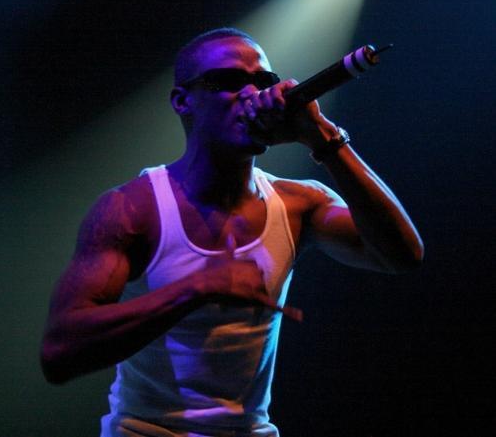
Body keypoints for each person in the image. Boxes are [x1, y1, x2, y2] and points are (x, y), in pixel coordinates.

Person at [41, 28, 424, 437]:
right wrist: (196, 288)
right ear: (182, 100)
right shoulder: (132, 209)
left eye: (264, 81)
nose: (252, 94)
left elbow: (402, 255)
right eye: (228, 81)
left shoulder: (299, 204)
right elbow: (61, 351)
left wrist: (323, 137)